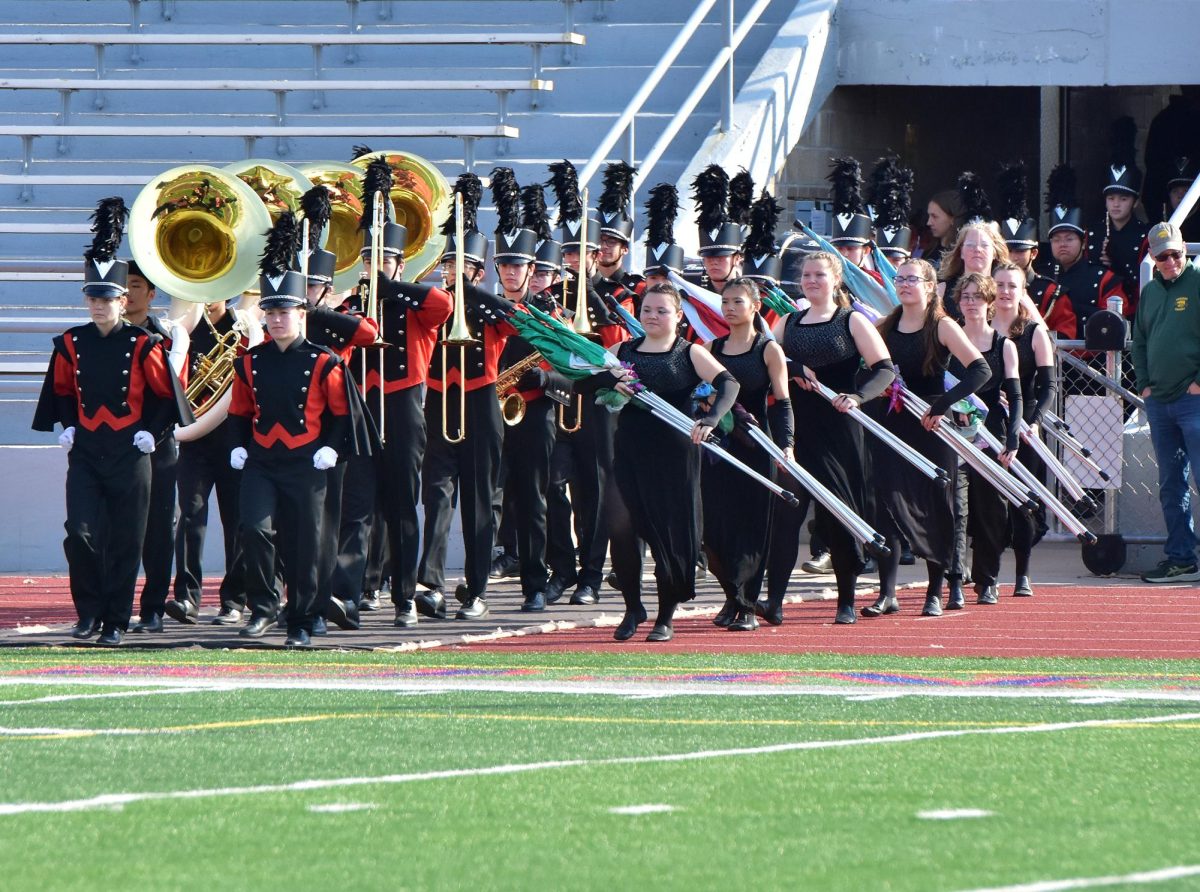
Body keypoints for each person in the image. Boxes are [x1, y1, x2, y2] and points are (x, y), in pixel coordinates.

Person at [32, 197, 185, 646]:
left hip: (129, 451)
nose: (97, 306)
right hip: (87, 451)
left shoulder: (143, 344)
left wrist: (149, 433)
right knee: (79, 533)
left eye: (106, 298)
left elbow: (163, 396)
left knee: (125, 540)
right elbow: (60, 391)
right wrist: (67, 425)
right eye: (91, 297)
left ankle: (116, 620)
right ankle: (89, 613)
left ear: (123, 300)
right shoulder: (71, 343)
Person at [228, 213, 355, 647]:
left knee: (305, 543)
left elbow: (340, 413)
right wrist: (237, 447)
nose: (277, 319)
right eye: (270, 311)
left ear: (302, 313)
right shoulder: (250, 361)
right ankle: (263, 608)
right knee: (255, 530)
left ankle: (302, 619)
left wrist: (331, 449)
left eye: (284, 311)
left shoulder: (324, 361)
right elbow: (240, 412)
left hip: (306, 460)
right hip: (263, 459)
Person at [764, 252, 895, 625]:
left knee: (839, 515)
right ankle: (773, 602)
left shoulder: (851, 320)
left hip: (840, 428)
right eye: (806, 275)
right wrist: (791, 367)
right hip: (798, 429)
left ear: (836, 279)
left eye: (819, 274)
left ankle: (847, 601)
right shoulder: (788, 322)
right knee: (786, 515)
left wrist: (856, 397)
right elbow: (765, 357)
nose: (811, 280)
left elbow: (884, 370)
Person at [604, 283, 740, 641]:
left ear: (678, 316)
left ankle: (665, 615)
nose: (652, 316)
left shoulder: (690, 352)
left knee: (669, 534)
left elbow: (729, 385)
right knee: (619, 527)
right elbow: (588, 383)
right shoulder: (621, 350)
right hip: (630, 449)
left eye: (661, 310)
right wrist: (608, 382)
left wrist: (710, 421)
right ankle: (633, 606)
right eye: (647, 309)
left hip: (675, 455)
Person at [417, 173, 517, 621]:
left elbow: (520, 326)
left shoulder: (488, 306)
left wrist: (473, 293)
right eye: (446, 265)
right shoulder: (432, 303)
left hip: (480, 405)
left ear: (477, 270)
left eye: (459, 267)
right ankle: (430, 582)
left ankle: (476, 588)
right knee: (436, 496)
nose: (449, 273)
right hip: (438, 402)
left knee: (479, 499)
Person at [866, 259, 988, 617]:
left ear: (930, 286)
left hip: (931, 426)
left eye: (912, 279)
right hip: (892, 422)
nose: (904, 284)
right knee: (886, 504)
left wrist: (943, 406)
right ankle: (887, 592)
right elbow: (870, 369)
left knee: (936, 505)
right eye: (899, 278)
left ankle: (935, 590)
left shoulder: (942, 326)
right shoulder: (885, 326)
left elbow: (980, 369)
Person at [703, 278, 791, 631]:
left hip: (757, 446)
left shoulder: (768, 349)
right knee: (717, 530)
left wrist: (787, 444)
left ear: (755, 306)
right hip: (721, 448)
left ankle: (749, 607)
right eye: (725, 302)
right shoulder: (711, 347)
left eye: (737, 301)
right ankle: (731, 596)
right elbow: (702, 393)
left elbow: (783, 403)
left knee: (752, 528)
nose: (729, 308)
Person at [164, 297, 253, 628]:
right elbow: (173, 382)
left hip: (234, 442)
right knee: (190, 518)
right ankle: (187, 597)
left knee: (238, 523)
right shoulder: (185, 329)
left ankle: (234, 601)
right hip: (194, 442)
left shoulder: (244, 328)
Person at [1132, 222, 1200, 583]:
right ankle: (1181, 557)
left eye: (1175, 253)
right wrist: (1144, 385)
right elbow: (1139, 340)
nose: (1170, 261)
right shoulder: (1151, 293)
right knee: (1171, 485)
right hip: (1160, 402)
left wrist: (1198, 384)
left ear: (1185, 248)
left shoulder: (1199, 280)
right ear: (1153, 259)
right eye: (1162, 256)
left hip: (1194, 402)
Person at [121, 260, 186, 633]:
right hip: (113, 444)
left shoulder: (165, 338)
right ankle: (115, 605)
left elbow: (171, 397)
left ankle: (152, 609)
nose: (127, 294)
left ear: (151, 293)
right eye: (123, 287)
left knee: (158, 530)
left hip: (157, 445)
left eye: (135, 286)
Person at [950, 273, 1023, 605]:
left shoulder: (1002, 345)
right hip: (952, 434)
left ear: (989, 302)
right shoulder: (948, 339)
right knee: (955, 509)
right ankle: (953, 578)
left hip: (991, 435)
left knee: (991, 510)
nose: (970, 302)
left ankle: (987, 580)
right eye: (965, 296)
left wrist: (1013, 438)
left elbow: (1016, 396)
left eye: (977, 296)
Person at [992, 261, 1056, 597]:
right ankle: (984, 572)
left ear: (1021, 292)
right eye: (999, 285)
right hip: (984, 422)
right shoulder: (976, 328)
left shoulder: (1034, 332)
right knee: (985, 499)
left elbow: (1048, 387)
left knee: (1023, 499)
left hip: (1025, 423)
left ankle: (1023, 572)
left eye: (1011, 286)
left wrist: (1033, 422)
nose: (1004, 292)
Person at [1087, 118, 1150, 302]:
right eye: (1111, 198)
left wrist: (1116, 265)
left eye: (1123, 199)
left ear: (1135, 202)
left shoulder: (1144, 235)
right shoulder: (1093, 233)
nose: (1116, 204)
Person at [937, 220, 1010, 319]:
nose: (977, 249)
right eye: (970, 245)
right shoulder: (942, 289)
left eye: (984, 245)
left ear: (994, 253)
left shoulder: (1007, 288)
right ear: (961, 252)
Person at [923, 189, 963, 269]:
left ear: (952, 219)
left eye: (935, 216)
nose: (929, 222)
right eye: (929, 216)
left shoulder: (961, 255)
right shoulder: (929, 250)